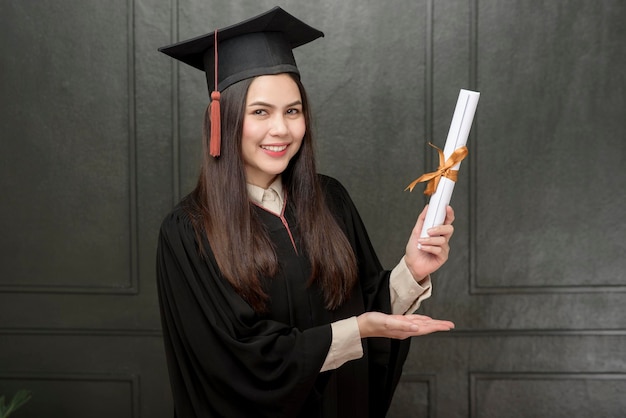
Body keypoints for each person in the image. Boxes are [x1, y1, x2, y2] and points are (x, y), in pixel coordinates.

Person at [156, 6, 455, 418]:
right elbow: (233, 363)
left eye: (292, 111)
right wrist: (356, 331)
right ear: (222, 119)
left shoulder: (330, 200)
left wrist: (412, 270)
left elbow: (368, 310)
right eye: (260, 111)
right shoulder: (188, 231)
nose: (281, 129)